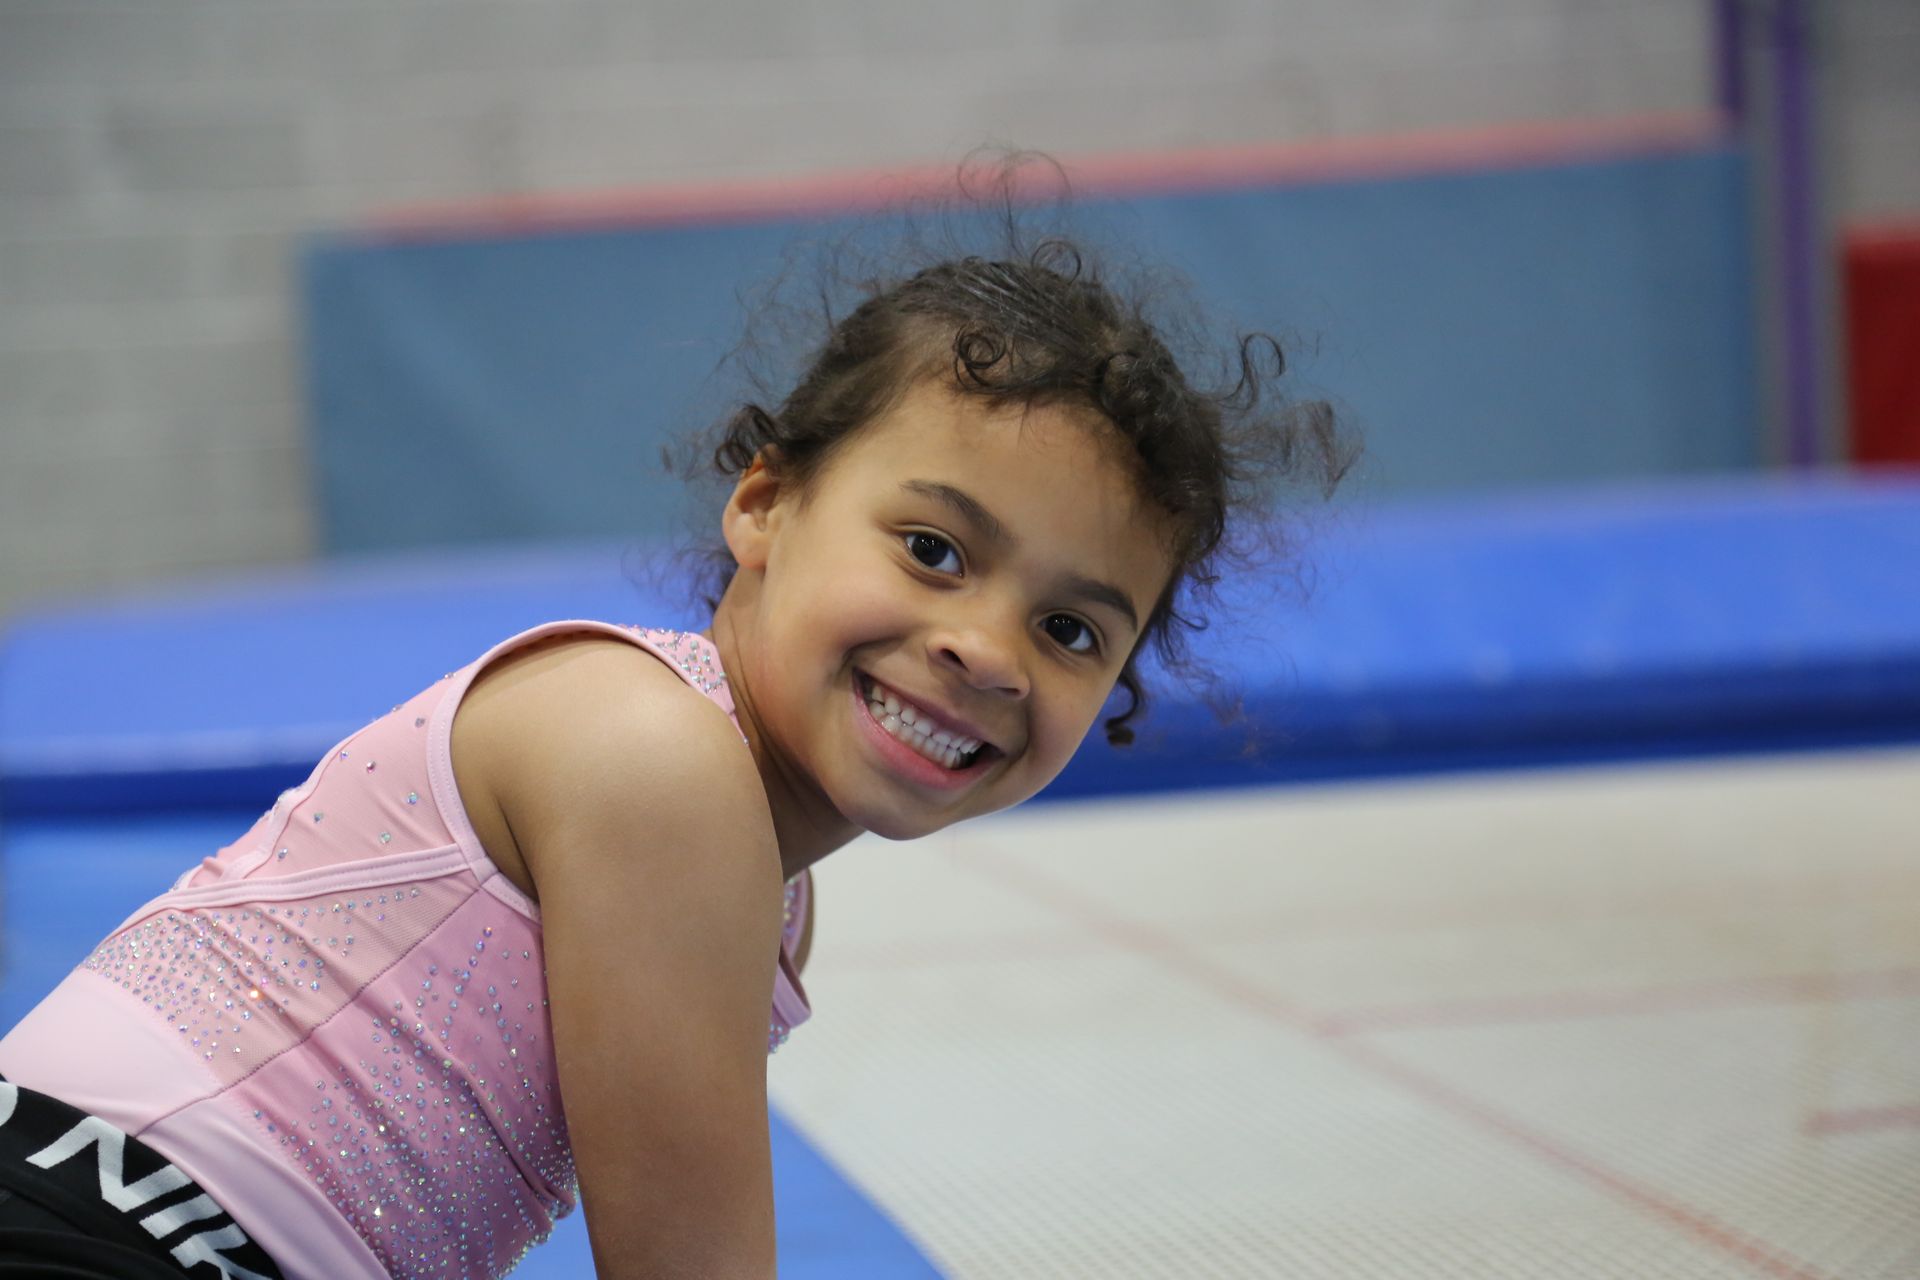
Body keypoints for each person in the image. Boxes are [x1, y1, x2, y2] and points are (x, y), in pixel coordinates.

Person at [0, 191, 1347, 1279]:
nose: (986, 652)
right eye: (933, 548)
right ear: (762, 506)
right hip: (92, 1223)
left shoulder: (762, 874)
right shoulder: (653, 756)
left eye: (1070, 633)